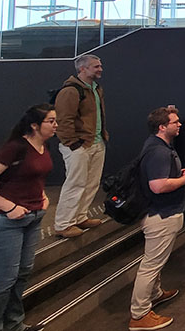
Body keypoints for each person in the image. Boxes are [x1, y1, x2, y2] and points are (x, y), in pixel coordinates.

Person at [0, 103, 55, 331]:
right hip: (2, 223)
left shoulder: (43, 147)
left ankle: (14, 325)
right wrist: (9, 207)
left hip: (32, 219)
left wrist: (43, 197)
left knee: (21, 275)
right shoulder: (14, 148)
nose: (56, 125)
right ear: (34, 125)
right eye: (51, 121)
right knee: (3, 281)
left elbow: (33, 177)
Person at [128, 106, 185, 331]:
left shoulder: (157, 146)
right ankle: (139, 315)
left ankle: (154, 294)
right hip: (161, 215)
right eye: (175, 122)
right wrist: (184, 180)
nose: (179, 124)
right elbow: (158, 185)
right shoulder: (159, 152)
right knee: (151, 265)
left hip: (161, 213)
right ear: (162, 127)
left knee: (155, 262)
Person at [53, 54, 108, 238]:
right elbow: (63, 119)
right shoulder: (71, 90)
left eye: (100, 65)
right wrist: (72, 143)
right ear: (82, 69)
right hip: (80, 145)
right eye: (96, 66)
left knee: (91, 183)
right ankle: (63, 224)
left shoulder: (96, 88)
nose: (100, 69)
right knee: (75, 183)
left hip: (96, 141)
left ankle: (79, 217)